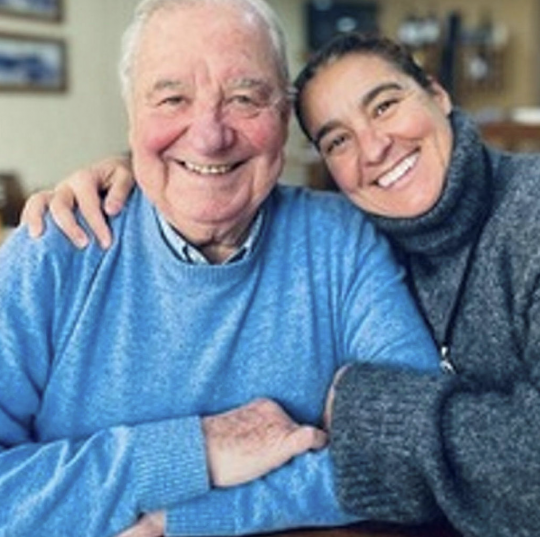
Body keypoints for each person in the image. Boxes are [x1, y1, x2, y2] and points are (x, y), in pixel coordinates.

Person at [27, 32, 540, 537]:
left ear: (440, 95)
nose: (373, 146)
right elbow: (209, 158)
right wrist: (142, 172)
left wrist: (366, 411)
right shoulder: (365, 223)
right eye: (337, 139)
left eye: (386, 104)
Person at [0, 5, 443, 536]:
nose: (209, 136)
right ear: (132, 117)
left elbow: (413, 455)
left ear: (283, 116)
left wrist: (183, 521)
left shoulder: (343, 242)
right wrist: (198, 450)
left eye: (244, 98)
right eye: (172, 99)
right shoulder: (57, 246)